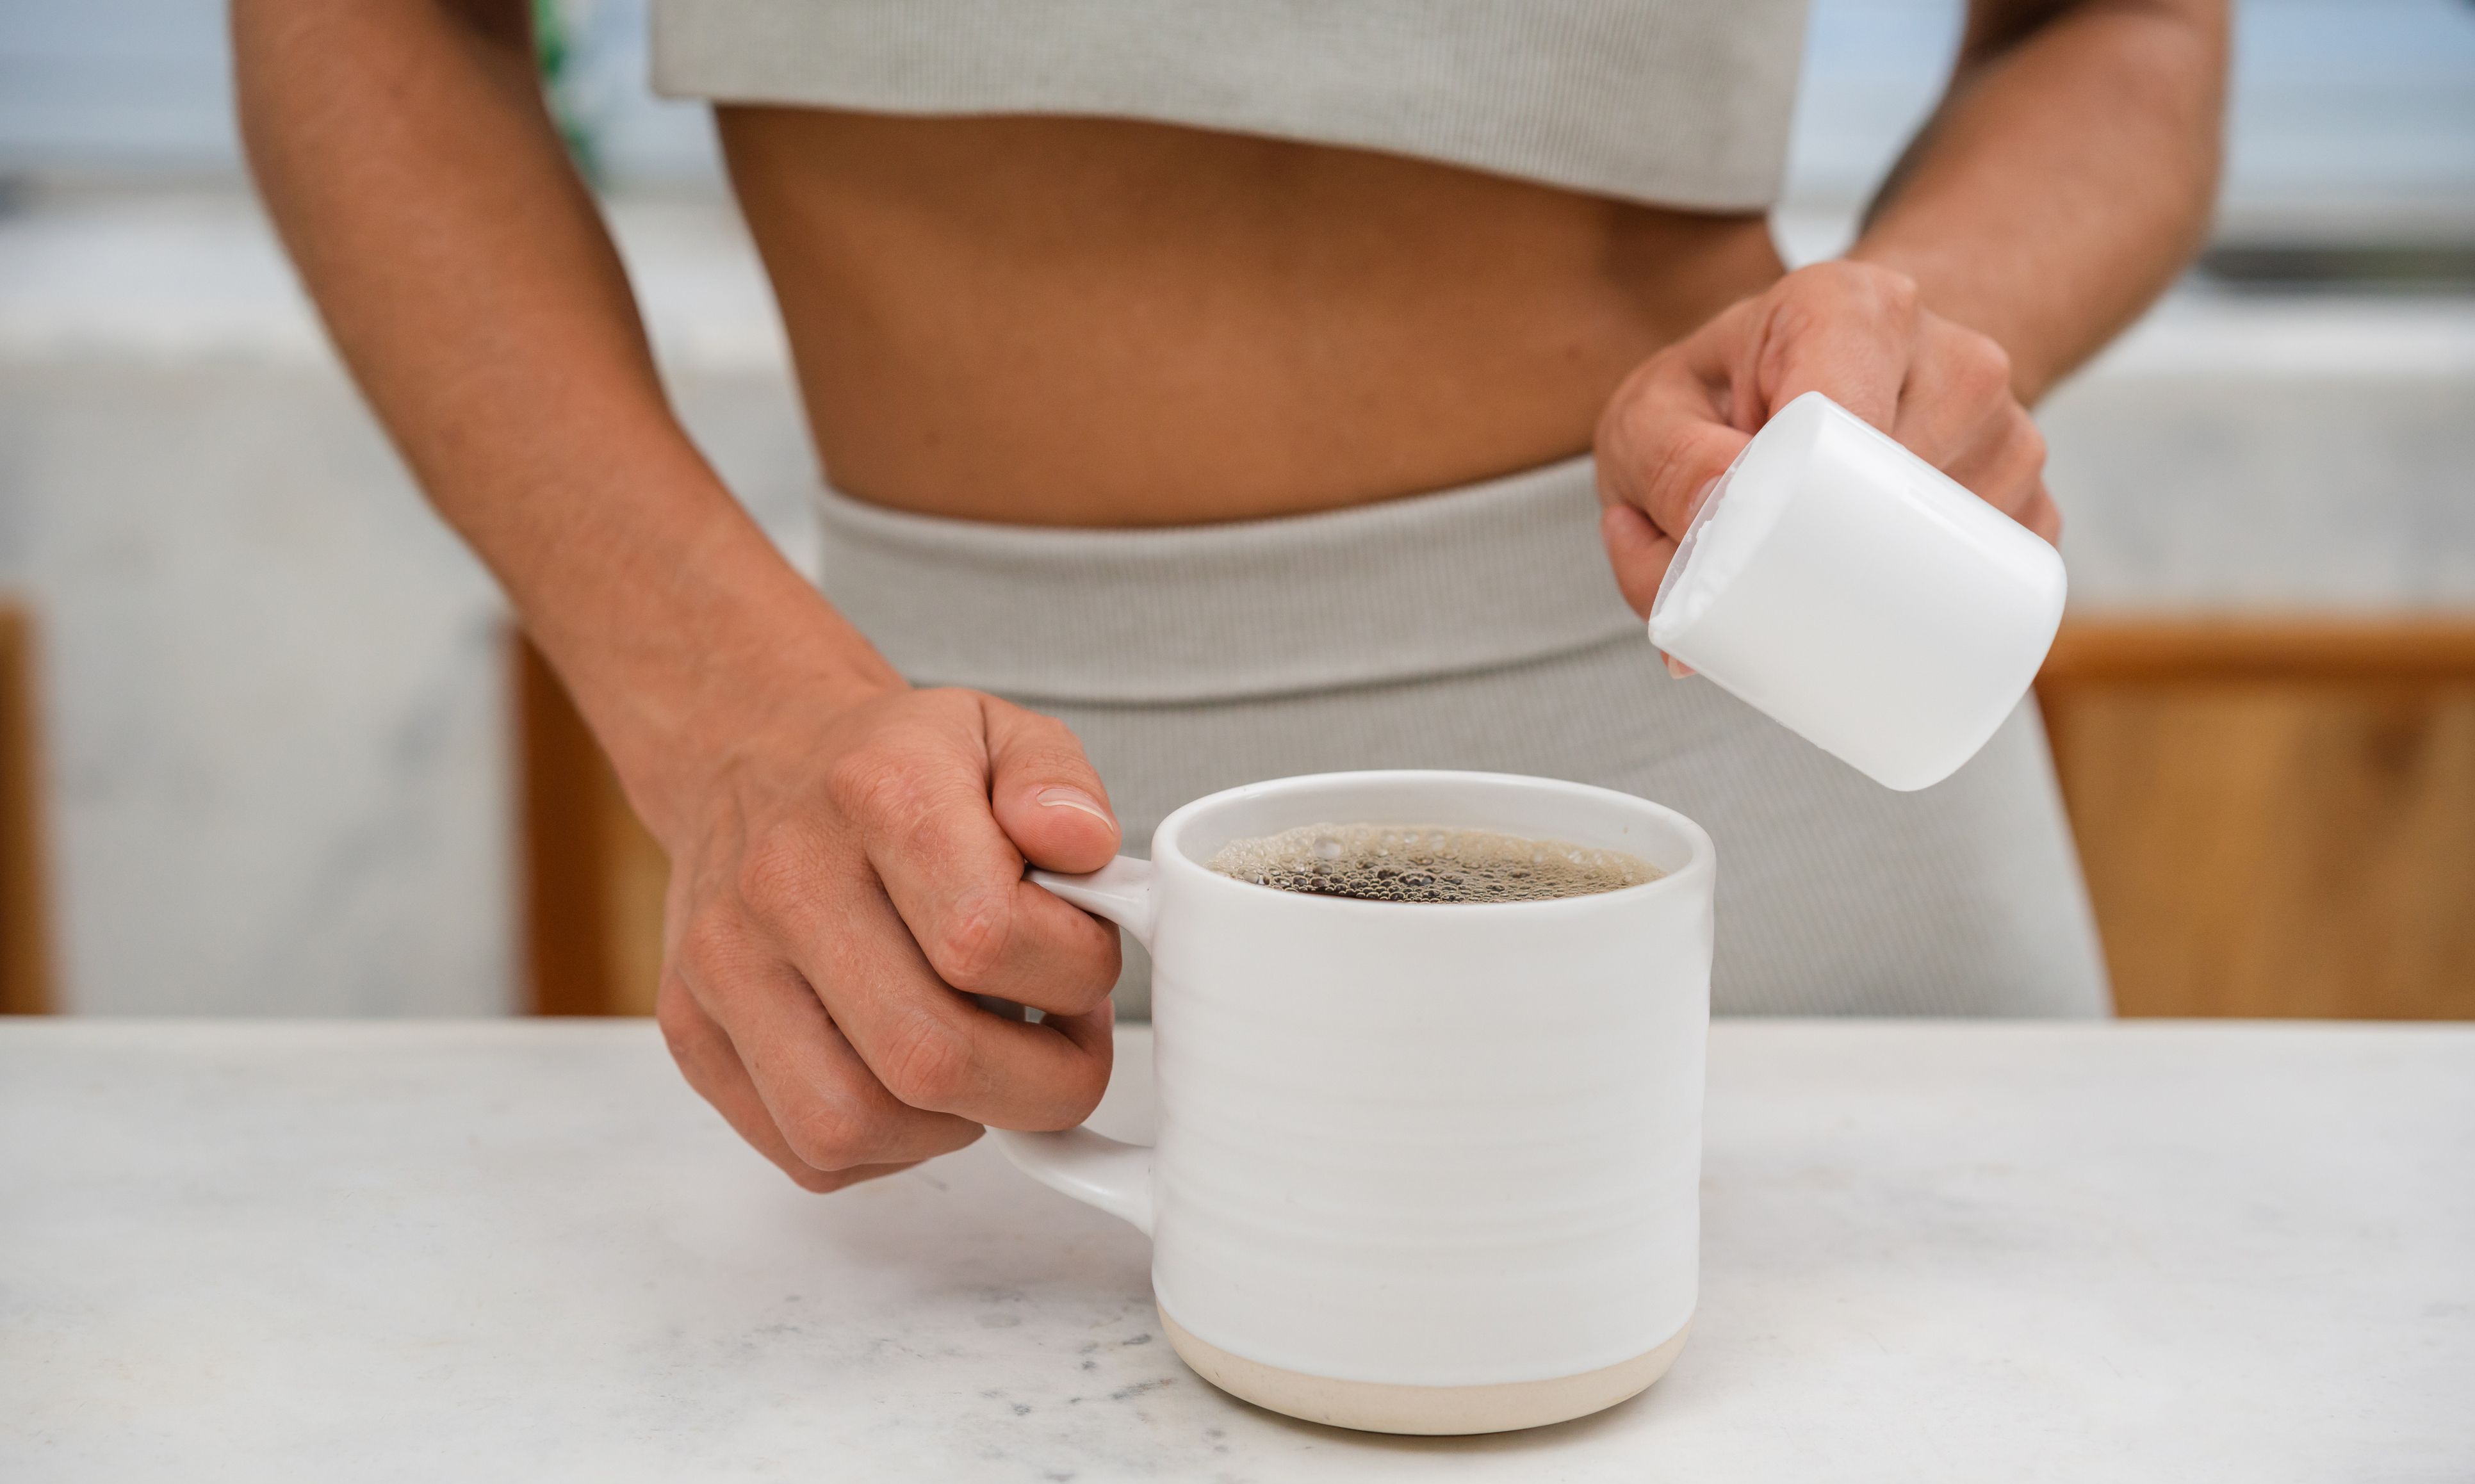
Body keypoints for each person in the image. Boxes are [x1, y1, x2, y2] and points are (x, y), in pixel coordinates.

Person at [235, 0, 2228, 1191]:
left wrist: (1901, 363)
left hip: (1761, 778)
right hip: (951, 909)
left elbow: (2121, 25)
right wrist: (733, 726)